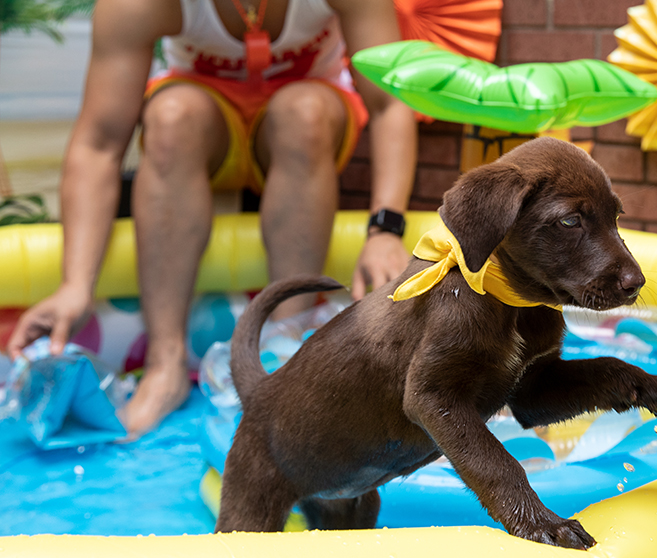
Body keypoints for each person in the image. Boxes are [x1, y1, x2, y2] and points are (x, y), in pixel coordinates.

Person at [5, 0, 418, 436]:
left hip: (306, 123)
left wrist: (385, 229)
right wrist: (75, 285)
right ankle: (164, 366)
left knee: (302, 113)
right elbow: (99, 143)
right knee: (171, 116)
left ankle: (282, 353)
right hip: (204, 125)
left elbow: (390, 104)